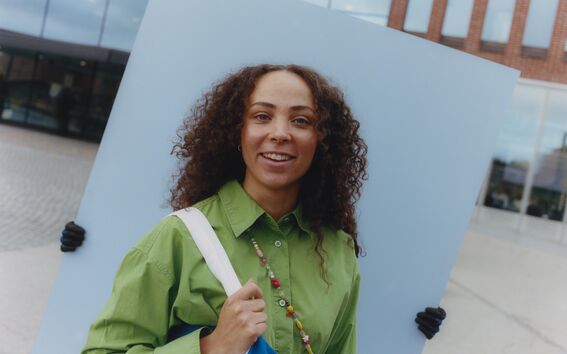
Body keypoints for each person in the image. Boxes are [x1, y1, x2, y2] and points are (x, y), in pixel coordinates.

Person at [63, 64, 444, 353]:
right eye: (262, 116)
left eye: (301, 120)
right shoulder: (177, 238)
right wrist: (209, 348)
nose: (280, 132)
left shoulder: (338, 250)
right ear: (236, 132)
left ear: (322, 141)